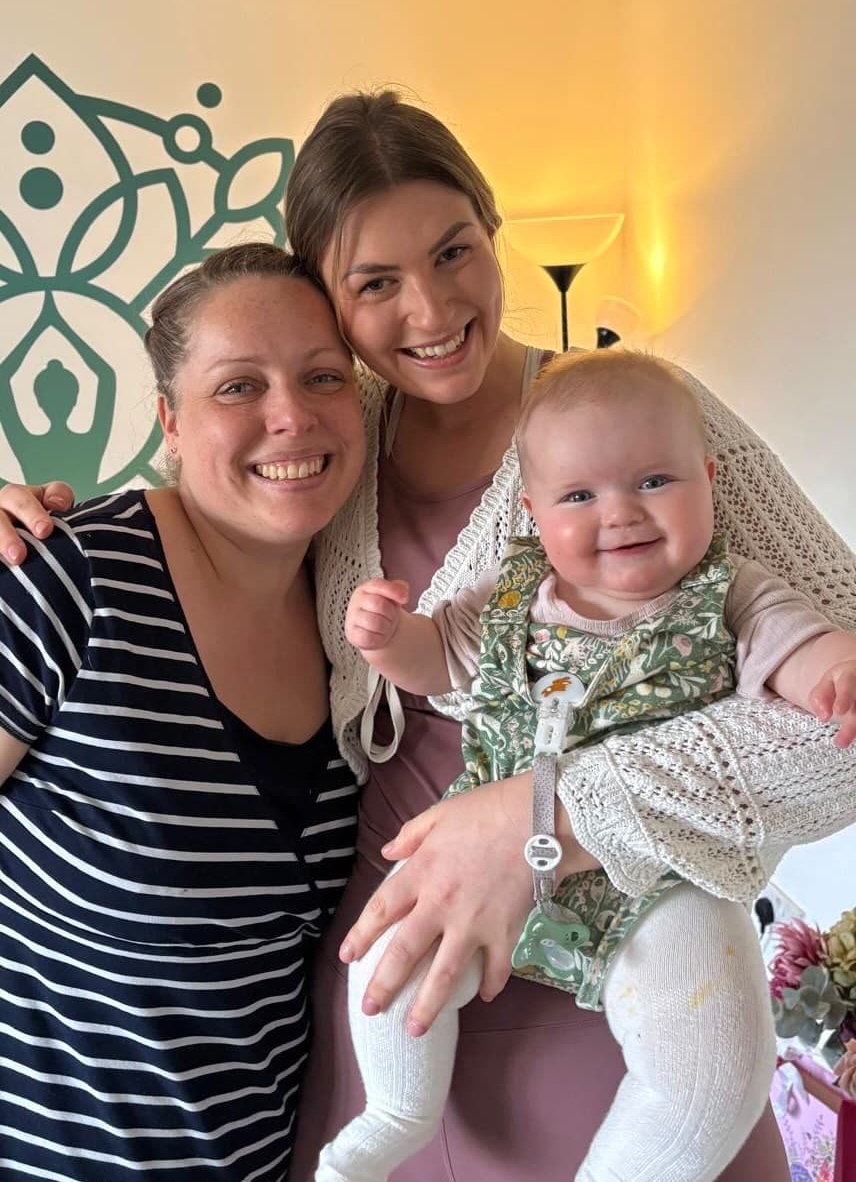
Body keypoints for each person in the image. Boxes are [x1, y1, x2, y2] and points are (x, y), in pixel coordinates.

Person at [3, 91, 856, 1179]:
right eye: (373, 283)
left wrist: (549, 820)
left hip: (618, 996)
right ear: (332, 303)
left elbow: (839, 718)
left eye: (454, 250)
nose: (430, 306)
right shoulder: (331, 444)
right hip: (392, 1006)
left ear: (492, 230)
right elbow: (203, 497)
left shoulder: (627, 411)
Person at [320, 348, 856, 1182]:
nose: (622, 515)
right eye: (579, 496)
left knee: (716, 1070)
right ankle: (395, 1112)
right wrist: (390, 641)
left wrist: (838, 669)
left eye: (654, 482)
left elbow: (806, 657)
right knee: (386, 959)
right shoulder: (509, 592)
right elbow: (441, 660)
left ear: (710, 477)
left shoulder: (734, 593)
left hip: (661, 875)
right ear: (532, 512)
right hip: (478, 867)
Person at [0, 243, 367, 1179]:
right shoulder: (65, 581)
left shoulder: (354, 611)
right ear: (168, 419)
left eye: (322, 376)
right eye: (238, 387)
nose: (291, 416)